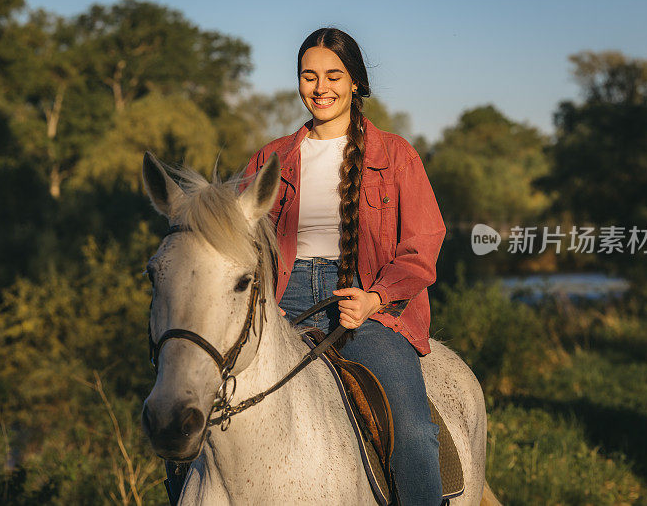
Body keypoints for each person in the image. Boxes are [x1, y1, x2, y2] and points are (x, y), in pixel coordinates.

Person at [164, 27, 447, 506]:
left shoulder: (396, 156)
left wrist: (375, 297)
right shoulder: (270, 159)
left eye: (334, 76)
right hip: (280, 299)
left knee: (415, 433)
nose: (321, 88)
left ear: (355, 81)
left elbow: (423, 244)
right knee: (192, 414)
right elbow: (234, 244)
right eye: (309, 76)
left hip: (366, 303)